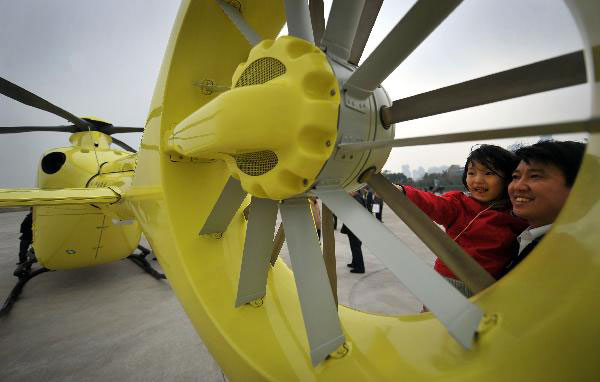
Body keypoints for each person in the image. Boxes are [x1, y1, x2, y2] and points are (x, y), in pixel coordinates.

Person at [401, 145, 528, 297]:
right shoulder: (459, 204)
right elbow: (434, 204)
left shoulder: (518, 211)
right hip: (449, 281)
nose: (478, 180)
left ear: (508, 178)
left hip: (491, 288)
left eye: (488, 173)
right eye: (471, 173)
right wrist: (403, 192)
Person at [501, 140, 585, 275]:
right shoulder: (527, 237)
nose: (518, 186)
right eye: (515, 177)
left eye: (535, 176)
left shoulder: (572, 255)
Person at [341, 190, 367, 274]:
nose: (348, 193)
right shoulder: (356, 198)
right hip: (354, 227)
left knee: (356, 247)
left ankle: (360, 268)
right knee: (354, 246)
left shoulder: (357, 199)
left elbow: (356, 214)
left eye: (349, 192)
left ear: (354, 191)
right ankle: (355, 262)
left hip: (355, 228)